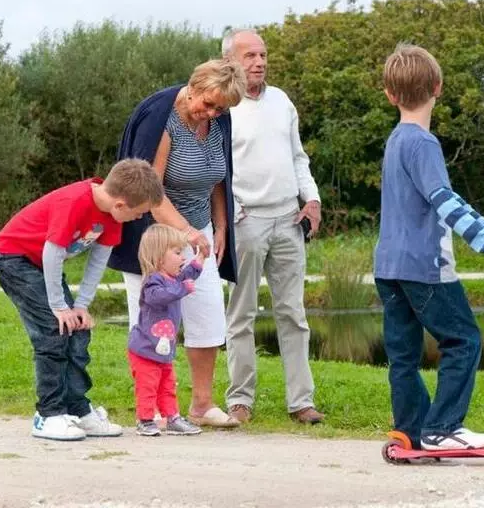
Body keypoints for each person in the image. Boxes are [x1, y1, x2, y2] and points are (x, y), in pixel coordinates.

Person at [373, 43, 484, 451]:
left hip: (388, 266)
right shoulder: (423, 144)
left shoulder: (395, 140)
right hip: (424, 266)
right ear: (438, 87)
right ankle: (443, 428)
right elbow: (445, 200)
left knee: (403, 353)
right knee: (463, 340)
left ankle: (410, 429)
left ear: (389, 95)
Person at [108, 58, 246, 428]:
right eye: (209, 103)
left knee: (208, 313)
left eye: (221, 108)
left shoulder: (217, 121)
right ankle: (150, 409)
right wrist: (186, 232)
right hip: (154, 235)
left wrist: (220, 225)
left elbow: (218, 175)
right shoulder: (161, 117)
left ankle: (202, 404)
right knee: (150, 326)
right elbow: (148, 190)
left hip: (198, 230)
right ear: (194, 86)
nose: (212, 113)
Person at [0, 158, 164, 441]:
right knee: (53, 328)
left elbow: (98, 261)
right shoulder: (74, 202)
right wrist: (59, 307)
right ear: (121, 204)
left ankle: (77, 410)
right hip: (13, 258)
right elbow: (53, 252)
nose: (139, 219)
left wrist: (81, 305)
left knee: (77, 328)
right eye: (139, 214)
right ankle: (48, 415)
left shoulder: (113, 216)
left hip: (42, 264)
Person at [221, 29, 324, 424]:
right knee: (241, 314)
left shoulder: (282, 101)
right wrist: (232, 212)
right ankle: (240, 400)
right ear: (231, 60)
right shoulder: (224, 108)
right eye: (250, 56)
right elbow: (218, 172)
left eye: (262, 55)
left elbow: (299, 158)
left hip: (288, 220)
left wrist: (311, 200)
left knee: (293, 314)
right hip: (247, 221)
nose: (259, 62)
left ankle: (302, 402)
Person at [128, 224, 205, 437]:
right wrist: (183, 289)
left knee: (168, 386)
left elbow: (187, 275)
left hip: (163, 351)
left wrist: (199, 262)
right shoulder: (153, 281)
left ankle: (172, 417)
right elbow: (159, 297)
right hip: (145, 349)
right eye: (177, 252)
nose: (183, 258)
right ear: (159, 257)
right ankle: (145, 419)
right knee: (147, 386)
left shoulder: (173, 279)